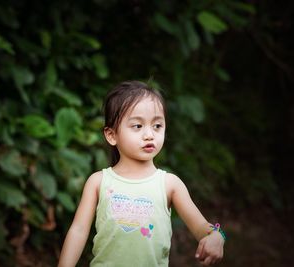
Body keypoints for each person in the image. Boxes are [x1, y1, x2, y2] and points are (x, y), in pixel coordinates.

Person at [58, 80, 225, 267]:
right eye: (137, 126)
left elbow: (201, 227)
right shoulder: (99, 182)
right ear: (112, 135)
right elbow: (79, 230)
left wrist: (216, 235)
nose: (149, 135)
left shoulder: (169, 184)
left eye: (157, 126)